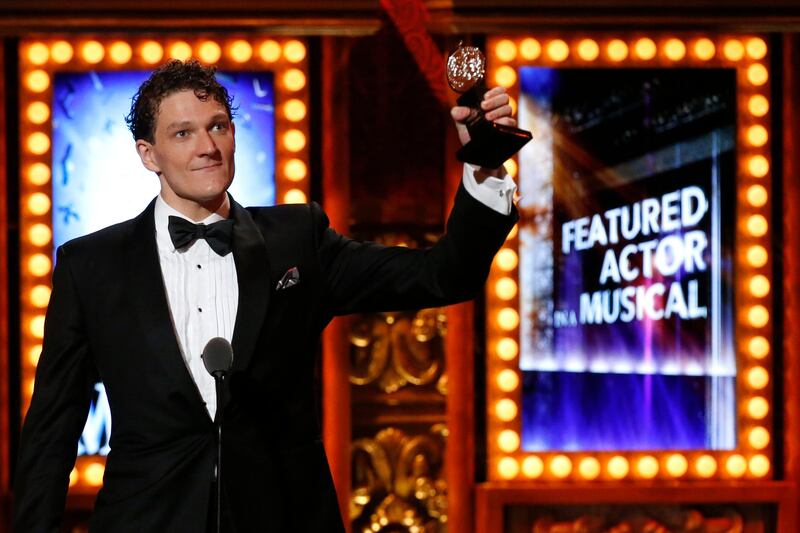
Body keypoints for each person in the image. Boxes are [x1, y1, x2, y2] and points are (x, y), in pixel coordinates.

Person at [13, 59, 519, 532]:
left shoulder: (297, 240)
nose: (207, 146)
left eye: (217, 126)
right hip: (147, 518)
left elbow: (443, 275)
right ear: (149, 155)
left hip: (283, 516)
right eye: (183, 133)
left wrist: (484, 168)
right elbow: (51, 429)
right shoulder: (92, 265)